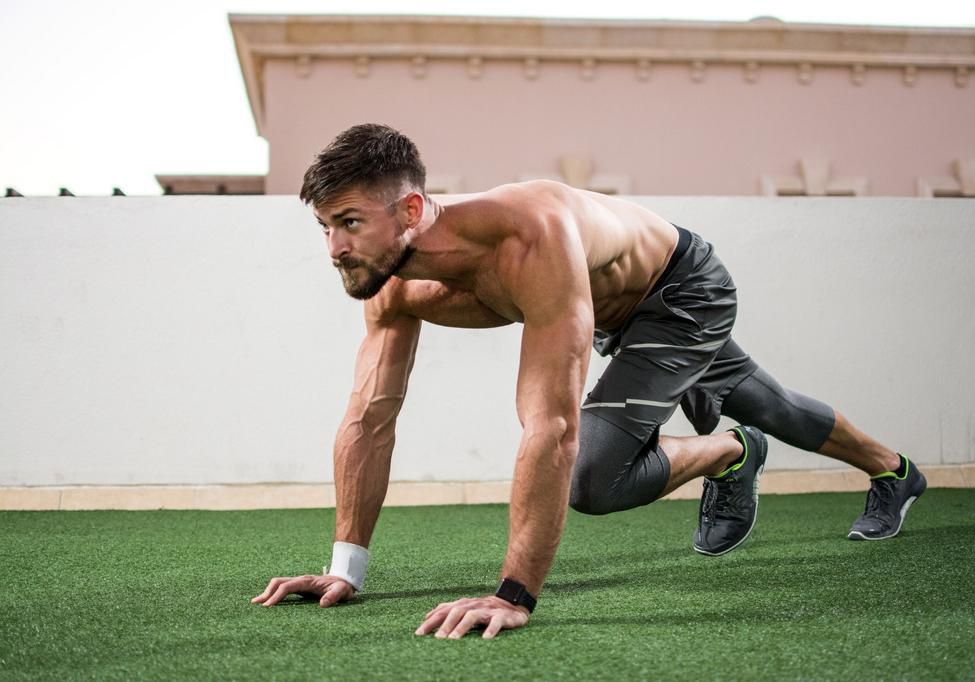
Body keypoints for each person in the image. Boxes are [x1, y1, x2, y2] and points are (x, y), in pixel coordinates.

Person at [251, 124, 927, 639]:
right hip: (611, 312)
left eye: (348, 224)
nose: (334, 249)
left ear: (410, 211)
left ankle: (733, 450)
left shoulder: (528, 239)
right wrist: (346, 568)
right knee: (764, 401)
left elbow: (553, 425)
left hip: (681, 289)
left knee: (593, 476)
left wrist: (513, 595)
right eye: (324, 227)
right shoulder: (390, 282)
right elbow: (370, 420)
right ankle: (890, 471)